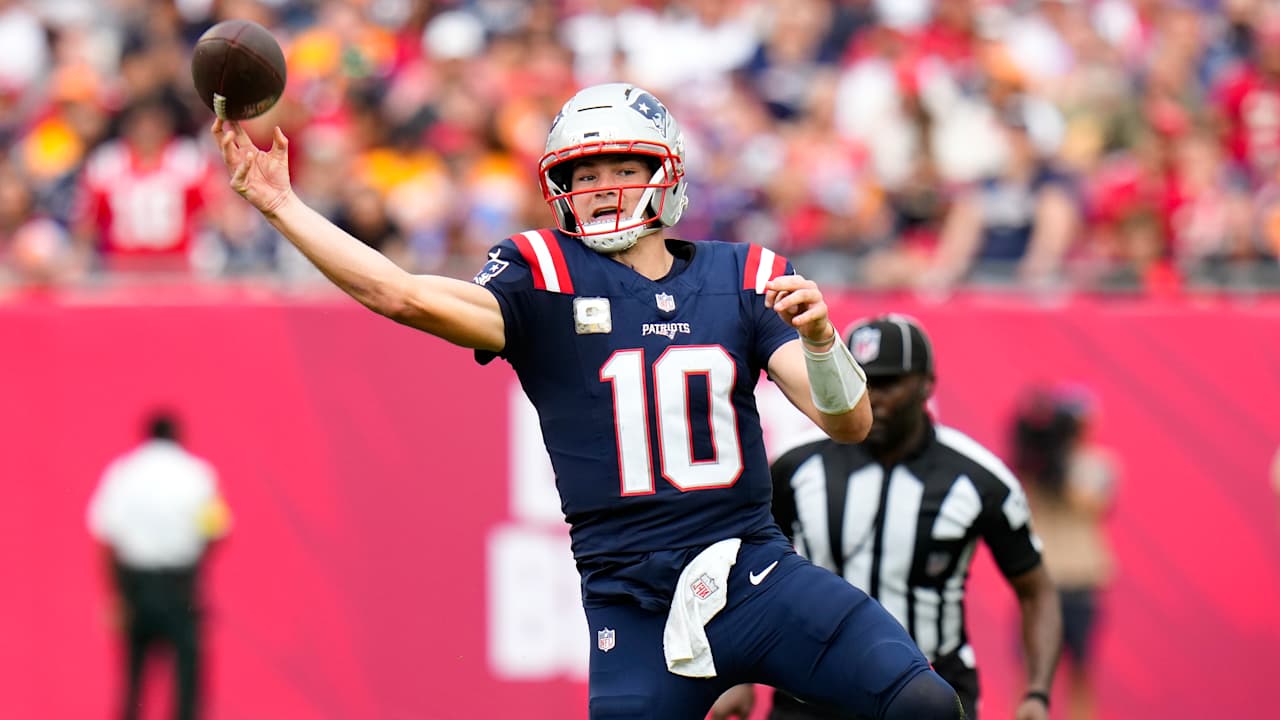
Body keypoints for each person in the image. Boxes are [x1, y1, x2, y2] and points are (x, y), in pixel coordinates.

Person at [212, 82, 963, 719]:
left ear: (665, 174)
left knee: (923, 705)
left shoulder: (744, 274)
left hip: (755, 573)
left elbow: (849, 421)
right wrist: (281, 205)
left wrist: (824, 341)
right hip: (631, 600)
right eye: (585, 171)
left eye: (623, 167)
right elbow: (402, 294)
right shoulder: (540, 272)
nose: (603, 186)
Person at [712, 316, 1061, 720]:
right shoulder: (796, 465)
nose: (870, 397)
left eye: (887, 383)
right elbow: (747, 566)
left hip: (931, 687)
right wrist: (735, 675)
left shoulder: (977, 477)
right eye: (860, 380)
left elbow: (1035, 590)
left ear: (926, 384)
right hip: (812, 689)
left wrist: (1037, 693)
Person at [86, 410, 231, 720]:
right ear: (178, 436)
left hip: (135, 583)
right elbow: (217, 531)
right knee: (187, 673)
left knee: (133, 675)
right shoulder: (196, 475)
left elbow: (106, 538)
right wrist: (195, 568)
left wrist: (115, 596)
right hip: (180, 584)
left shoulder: (124, 473)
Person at [1010, 385, 1117, 720]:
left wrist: (1056, 470)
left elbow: (1091, 502)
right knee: (1032, 674)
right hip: (1042, 581)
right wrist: (1039, 455)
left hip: (1081, 583)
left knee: (1081, 672)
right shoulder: (1036, 462)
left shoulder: (1098, 464)